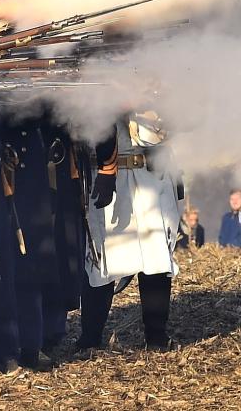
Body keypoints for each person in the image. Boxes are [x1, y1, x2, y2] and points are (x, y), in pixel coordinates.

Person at [79, 111, 180, 351]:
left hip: (149, 175)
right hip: (105, 173)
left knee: (156, 260)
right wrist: (106, 170)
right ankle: (90, 338)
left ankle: (156, 336)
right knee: (101, 261)